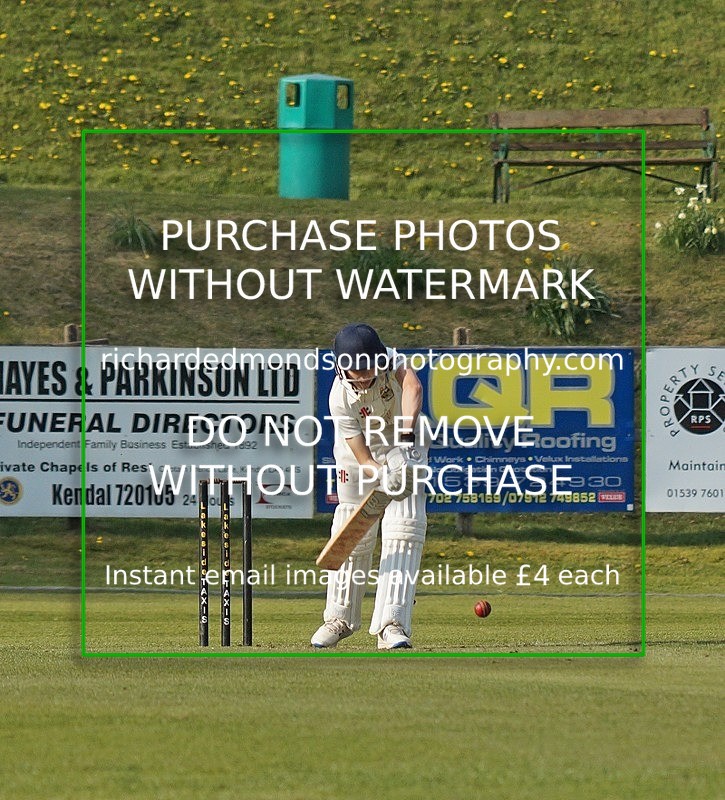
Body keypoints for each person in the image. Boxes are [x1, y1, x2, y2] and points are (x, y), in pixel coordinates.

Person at [311, 323, 428, 650]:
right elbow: (361, 455)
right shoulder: (339, 397)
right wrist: (379, 473)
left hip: (403, 447)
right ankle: (339, 619)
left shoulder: (393, 363)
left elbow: (413, 388)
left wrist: (405, 443)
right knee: (353, 530)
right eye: (355, 370)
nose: (363, 376)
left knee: (404, 528)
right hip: (358, 458)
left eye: (367, 368)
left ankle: (392, 624)